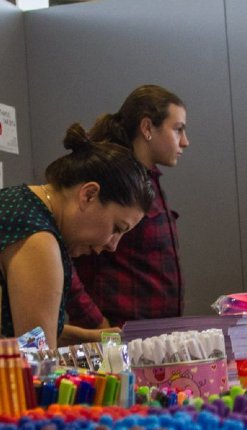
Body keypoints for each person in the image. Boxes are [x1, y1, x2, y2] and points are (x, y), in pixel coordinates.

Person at [0, 124, 154, 351]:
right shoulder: (36, 238)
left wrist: (94, 338)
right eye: (117, 228)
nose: (112, 245)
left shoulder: (18, 208)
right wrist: (107, 362)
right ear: (88, 194)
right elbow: (39, 359)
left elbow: (17, 328)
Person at [67, 85, 189, 328]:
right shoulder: (108, 178)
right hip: (115, 334)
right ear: (147, 128)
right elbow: (67, 260)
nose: (185, 141)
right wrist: (96, 323)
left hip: (153, 337)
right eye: (177, 130)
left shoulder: (150, 179)